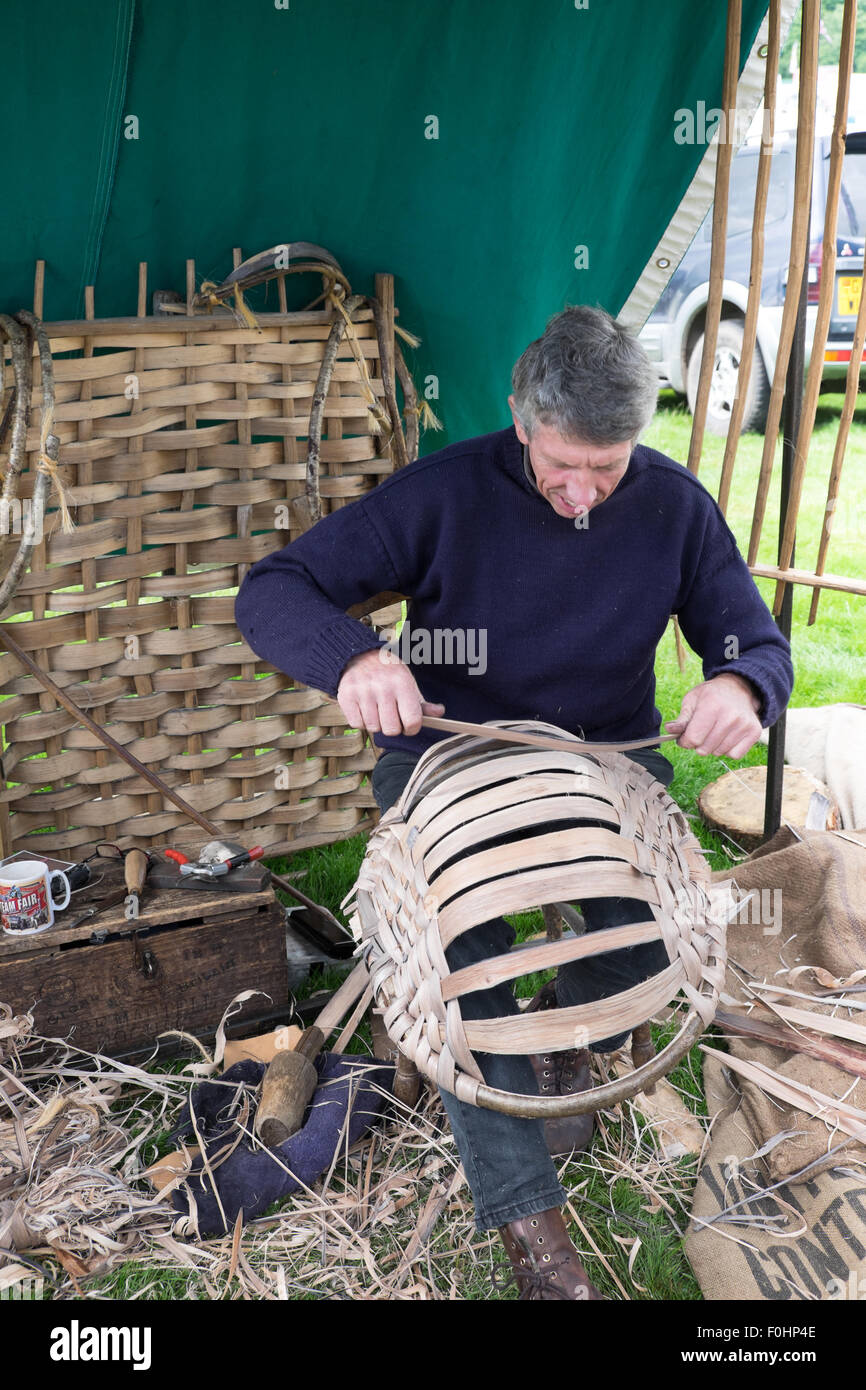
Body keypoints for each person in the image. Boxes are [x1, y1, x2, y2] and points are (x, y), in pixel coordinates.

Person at [235, 304, 794, 1300]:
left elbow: (751, 639)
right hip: (449, 761)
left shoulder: (671, 504)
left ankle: (547, 1049)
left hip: (601, 765)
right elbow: (273, 588)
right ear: (517, 420)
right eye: (558, 466)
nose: (580, 492)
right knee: (466, 962)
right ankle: (533, 1236)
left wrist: (738, 683)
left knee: (658, 938)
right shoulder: (444, 493)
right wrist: (354, 658)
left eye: (605, 469)